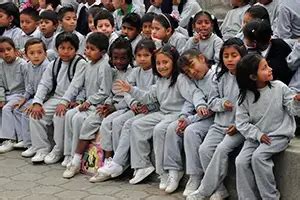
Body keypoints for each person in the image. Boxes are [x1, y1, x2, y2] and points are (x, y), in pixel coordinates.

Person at [113, 44, 206, 188]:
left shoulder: (180, 79)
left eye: (165, 62)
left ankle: (168, 171)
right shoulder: (160, 80)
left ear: (173, 62)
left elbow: (194, 93)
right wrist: (131, 90)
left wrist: (199, 105)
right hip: (163, 113)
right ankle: (143, 165)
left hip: (176, 114)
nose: (162, 66)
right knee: (137, 125)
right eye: (158, 63)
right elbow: (148, 97)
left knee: (160, 129)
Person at [62, 37, 133, 179]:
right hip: (108, 104)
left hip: (123, 107)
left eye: (123, 58)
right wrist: (105, 104)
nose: (118, 62)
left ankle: (108, 163)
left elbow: (126, 96)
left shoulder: (131, 72)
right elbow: (109, 93)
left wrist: (112, 106)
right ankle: (75, 160)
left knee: (106, 124)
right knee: (87, 122)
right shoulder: (110, 69)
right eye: (115, 58)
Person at [89, 39, 158, 183]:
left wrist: (143, 105)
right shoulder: (137, 71)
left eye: (146, 55)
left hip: (150, 109)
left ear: (154, 55)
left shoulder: (156, 73)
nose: (142, 59)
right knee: (116, 122)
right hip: (136, 107)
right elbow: (126, 90)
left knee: (128, 124)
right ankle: (116, 162)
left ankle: (121, 163)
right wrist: (133, 102)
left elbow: (155, 95)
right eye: (139, 56)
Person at [187, 38, 247, 200]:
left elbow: (252, 106)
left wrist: (239, 125)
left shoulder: (248, 77)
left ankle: (204, 191)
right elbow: (212, 102)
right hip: (219, 124)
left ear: (242, 55)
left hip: (239, 127)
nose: (229, 59)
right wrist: (222, 104)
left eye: (234, 55)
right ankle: (219, 189)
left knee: (221, 149)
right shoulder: (219, 77)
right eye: (226, 56)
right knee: (204, 149)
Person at [235, 53, 300, 200]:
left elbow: (293, 110)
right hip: (256, 137)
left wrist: (296, 101)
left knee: (258, 157)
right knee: (240, 161)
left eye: (267, 65)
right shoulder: (244, 96)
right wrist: (257, 135)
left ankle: (270, 197)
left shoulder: (280, 87)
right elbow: (241, 123)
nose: (270, 69)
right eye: (264, 68)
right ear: (252, 77)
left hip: (278, 135)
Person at [29, 32, 86, 164]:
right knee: (35, 115)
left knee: (59, 116)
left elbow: (75, 86)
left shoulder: (80, 63)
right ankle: (42, 148)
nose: (66, 52)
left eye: (70, 48)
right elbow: (44, 84)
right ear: (56, 49)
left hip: (74, 99)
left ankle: (59, 150)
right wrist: (37, 102)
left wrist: (65, 102)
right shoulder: (54, 63)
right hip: (57, 98)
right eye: (62, 48)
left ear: (76, 50)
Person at [163, 49, 215, 195]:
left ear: (202, 58)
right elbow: (191, 100)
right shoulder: (193, 80)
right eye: (187, 71)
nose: (192, 72)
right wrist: (183, 117)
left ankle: (195, 175)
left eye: (192, 65)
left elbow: (211, 108)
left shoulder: (215, 77)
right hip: (199, 118)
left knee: (191, 131)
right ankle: (174, 170)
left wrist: (190, 121)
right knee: (173, 127)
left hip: (215, 119)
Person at [62, 32, 112, 167]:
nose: (88, 52)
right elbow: (84, 86)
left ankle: (76, 155)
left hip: (98, 105)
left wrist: (89, 101)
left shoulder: (105, 66)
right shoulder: (89, 64)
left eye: (92, 49)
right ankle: (67, 154)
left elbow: (105, 91)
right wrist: (80, 100)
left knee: (78, 119)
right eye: (87, 48)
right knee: (69, 114)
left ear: (102, 52)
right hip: (87, 103)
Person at [14, 39, 49, 157]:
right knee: (19, 109)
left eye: (39, 52)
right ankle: (27, 141)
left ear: (46, 53)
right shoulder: (29, 65)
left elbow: (47, 88)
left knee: (28, 113)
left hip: (45, 98)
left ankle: (35, 145)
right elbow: (29, 85)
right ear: (26, 55)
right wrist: (24, 99)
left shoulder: (47, 66)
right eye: (32, 53)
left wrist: (34, 103)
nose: (36, 56)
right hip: (34, 97)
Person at [243, 19, 293, 85]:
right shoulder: (245, 50)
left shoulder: (280, 47)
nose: (244, 40)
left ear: (254, 43)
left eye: (245, 38)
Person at [0, 37, 27, 153]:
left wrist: (24, 98)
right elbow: (0, 84)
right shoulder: (1, 65)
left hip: (20, 94)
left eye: (8, 49)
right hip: (7, 94)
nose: (6, 53)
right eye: (1, 50)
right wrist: (1, 98)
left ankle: (9, 140)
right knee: (3, 106)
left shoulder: (22, 64)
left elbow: (28, 85)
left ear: (15, 50)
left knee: (7, 109)